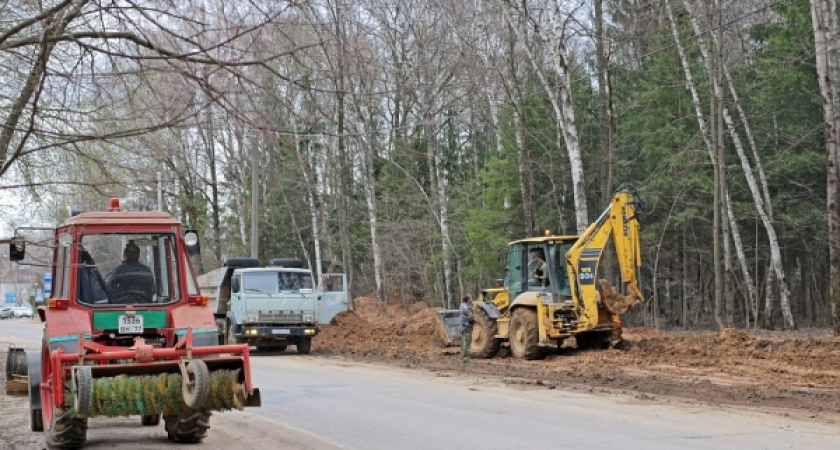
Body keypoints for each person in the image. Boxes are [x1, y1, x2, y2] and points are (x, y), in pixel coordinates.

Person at [458, 294, 475, 364]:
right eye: (471, 298)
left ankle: (462, 358)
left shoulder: (461, 305)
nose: (472, 300)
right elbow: (471, 318)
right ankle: (465, 359)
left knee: (463, 343)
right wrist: (475, 319)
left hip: (461, 327)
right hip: (467, 327)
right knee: (467, 344)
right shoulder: (468, 308)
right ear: (468, 300)